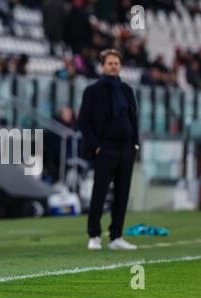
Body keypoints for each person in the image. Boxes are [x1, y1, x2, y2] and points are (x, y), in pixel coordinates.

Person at [77, 49, 140, 250]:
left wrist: (135, 144)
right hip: (105, 148)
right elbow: (84, 121)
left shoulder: (127, 90)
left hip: (126, 148)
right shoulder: (92, 91)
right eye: (110, 63)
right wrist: (95, 146)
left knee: (122, 194)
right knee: (100, 193)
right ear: (103, 66)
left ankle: (116, 236)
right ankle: (94, 235)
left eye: (116, 63)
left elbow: (133, 119)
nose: (113, 66)